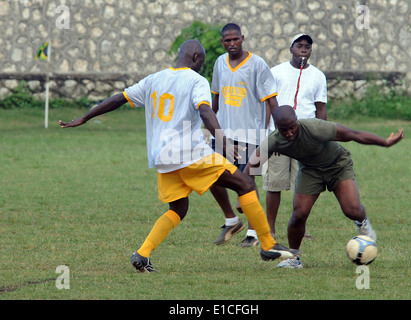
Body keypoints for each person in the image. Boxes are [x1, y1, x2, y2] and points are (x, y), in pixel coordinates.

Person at [59, 39, 300, 272]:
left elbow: (118, 99)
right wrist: (223, 140)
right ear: (195, 58)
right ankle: (267, 245)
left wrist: (85, 117)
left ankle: (142, 254)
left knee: (179, 208)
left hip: (162, 157)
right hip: (190, 152)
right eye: (202, 61)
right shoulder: (196, 80)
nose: (201, 66)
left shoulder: (153, 79)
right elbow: (205, 110)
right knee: (246, 184)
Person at [243, 105, 404, 269]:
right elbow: (251, 166)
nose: (289, 133)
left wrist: (385, 142)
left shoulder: (315, 127)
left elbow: (353, 134)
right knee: (299, 214)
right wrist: (243, 196)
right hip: (310, 171)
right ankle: (293, 258)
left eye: (292, 127)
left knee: (352, 210)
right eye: (284, 130)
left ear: (297, 121)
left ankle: (363, 223)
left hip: (338, 165)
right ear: (277, 127)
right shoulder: (275, 140)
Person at [210, 23, 279, 247]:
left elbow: (271, 99)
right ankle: (231, 219)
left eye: (235, 39)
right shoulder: (220, 63)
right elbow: (215, 100)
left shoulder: (258, 64)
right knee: (210, 176)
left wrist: (279, 130)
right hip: (223, 134)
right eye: (227, 40)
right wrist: (209, 125)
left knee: (247, 182)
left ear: (243, 38)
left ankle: (253, 233)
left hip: (250, 134)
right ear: (223, 42)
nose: (232, 44)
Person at [263, 33, 327, 239]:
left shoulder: (318, 76)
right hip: (280, 135)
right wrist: (268, 132)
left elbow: (321, 109)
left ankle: (300, 227)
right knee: (274, 183)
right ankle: (270, 229)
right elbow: (268, 103)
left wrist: (322, 136)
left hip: (305, 136)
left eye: (307, 46)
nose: (303, 49)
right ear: (291, 49)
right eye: (299, 45)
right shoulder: (276, 72)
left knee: (304, 185)